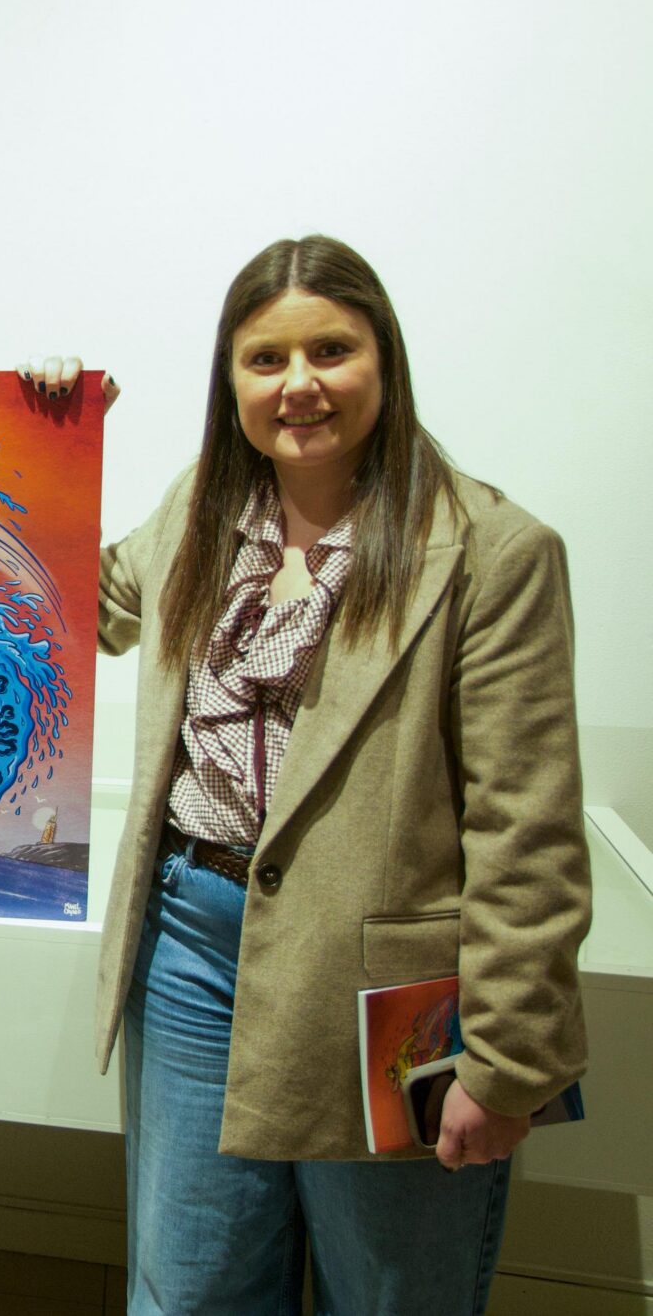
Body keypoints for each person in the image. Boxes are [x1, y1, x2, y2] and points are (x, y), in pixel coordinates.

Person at [51, 234, 590, 1314]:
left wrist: (506, 1059)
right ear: (230, 380)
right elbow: (60, 609)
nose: (297, 383)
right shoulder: (196, 511)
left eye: (329, 349)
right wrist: (43, 443)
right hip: (188, 949)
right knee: (190, 1290)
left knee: (390, 1292)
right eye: (263, 359)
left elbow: (523, 831)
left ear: (381, 361)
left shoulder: (491, 549)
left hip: (387, 991)